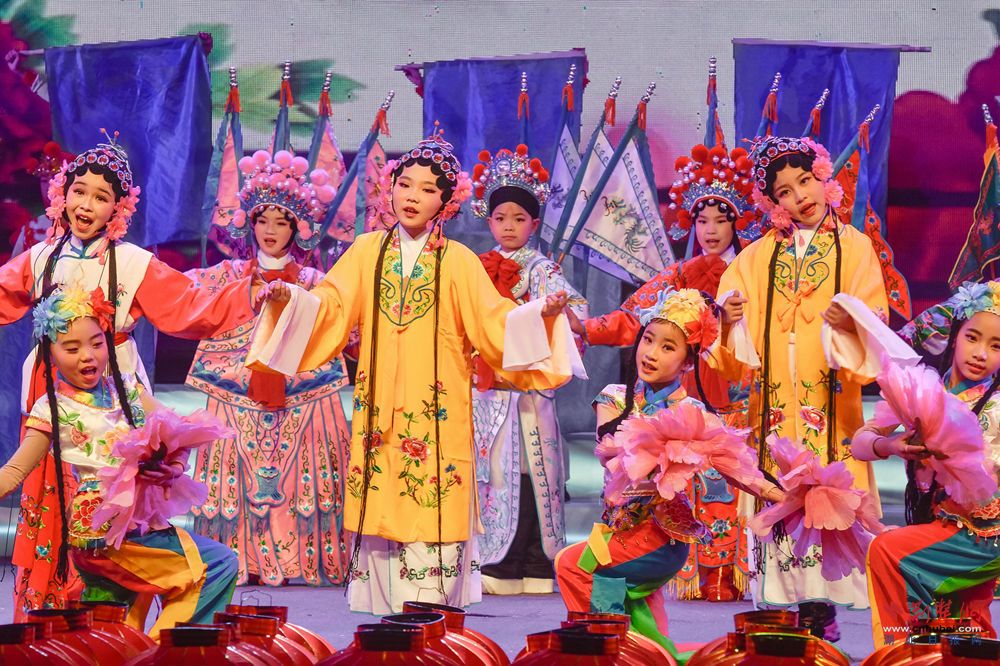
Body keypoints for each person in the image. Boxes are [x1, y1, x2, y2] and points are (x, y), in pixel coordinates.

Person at [248, 128, 585, 614]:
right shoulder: (367, 251)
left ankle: (431, 606)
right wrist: (290, 299)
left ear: (445, 202)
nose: (412, 196)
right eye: (405, 184)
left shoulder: (459, 261)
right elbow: (330, 307)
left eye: (428, 189)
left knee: (434, 498)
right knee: (384, 493)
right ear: (390, 188)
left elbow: (495, 323)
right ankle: (387, 605)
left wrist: (541, 316)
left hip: (438, 408)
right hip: (380, 405)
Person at [0, 132, 258, 618]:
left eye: (101, 197)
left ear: (117, 208)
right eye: (79, 191)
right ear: (62, 194)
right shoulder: (40, 258)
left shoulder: (133, 263)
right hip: (50, 387)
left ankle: (119, 614)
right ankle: (52, 609)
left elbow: (190, 306)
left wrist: (250, 295)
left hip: (115, 385)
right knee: (48, 492)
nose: (86, 205)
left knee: (119, 501)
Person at [716, 135, 889, 639]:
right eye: (785, 192)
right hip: (774, 396)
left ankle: (820, 608)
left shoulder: (853, 246)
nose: (800, 196)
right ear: (773, 203)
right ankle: (784, 607)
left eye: (805, 181)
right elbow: (730, 323)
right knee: (779, 483)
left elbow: (875, 319)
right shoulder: (758, 255)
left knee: (828, 484)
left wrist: (850, 322)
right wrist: (729, 317)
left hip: (828, 397)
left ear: (824, 178)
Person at [574, 137, 760, 601]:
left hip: (737, 397)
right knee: (683, 489)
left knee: (728, 491)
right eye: (702, 220)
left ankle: (729, 577)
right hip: (685, 403)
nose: (710, 230)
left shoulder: (753, 272)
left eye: (721, 220)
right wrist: (587, 327)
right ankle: (682, 574)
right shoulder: (679, 277)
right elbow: (635, 319)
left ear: (737, 224)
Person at [555, 287, 783, 661]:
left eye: (667, 347)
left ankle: (611, 652)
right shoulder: (613, 399)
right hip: (619, 529)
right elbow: (610, 456)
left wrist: (788, 497)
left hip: (660, 536)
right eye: (648, 340)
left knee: (572, 564)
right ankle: (645, 653)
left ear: (687, 363)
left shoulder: (691, 411)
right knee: (643, 620)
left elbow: (738, 470)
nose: (651, 353)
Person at [0, 286, 238, 639]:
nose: (88, 356)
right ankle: (167, 652)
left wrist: (169, 465)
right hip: (102, 533)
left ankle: (127, 651)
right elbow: (14, 471)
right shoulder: (52, 407)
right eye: (72, 348)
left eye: (97, 344)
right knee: (215, 565)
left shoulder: (126, 389)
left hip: (138, 523)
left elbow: (175, 431)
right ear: (49, 353)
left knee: (114, 623)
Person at [186, 150, 351, 586]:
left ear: (297, 228)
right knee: (234, 475)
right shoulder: (228, 276)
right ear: (250, 223)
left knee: (302, 476)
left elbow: (344, 324)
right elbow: (182, 297)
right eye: (263, 220)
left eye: (281, 222)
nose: (271, 230)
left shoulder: (316, 282)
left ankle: (303, 559)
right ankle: (237, 560)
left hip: (304, 394)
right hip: (235, 391)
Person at [467, 144, 589, 595]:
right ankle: (504, 560)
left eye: (519, 219)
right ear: (489, 222)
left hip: (528, 394)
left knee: (534, 475)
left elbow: (577, 312)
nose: (509, 226)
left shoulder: (541, 269)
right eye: (501, 218)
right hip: (489, 394)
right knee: (496, 476)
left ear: (534, 224)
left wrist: (552, 311)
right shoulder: (476, 268)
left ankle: (533, 562)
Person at [861, 281, 1000, 648]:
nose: (980, 353)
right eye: (973, 338)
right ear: (954, 337)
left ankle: (906, 652)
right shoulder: (924, 391)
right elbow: (861, 443)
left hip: (983, 536)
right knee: (968, 622)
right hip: (946, 524)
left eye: (996, 346)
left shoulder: (996, 407)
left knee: (889, 553)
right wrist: (888, 444)